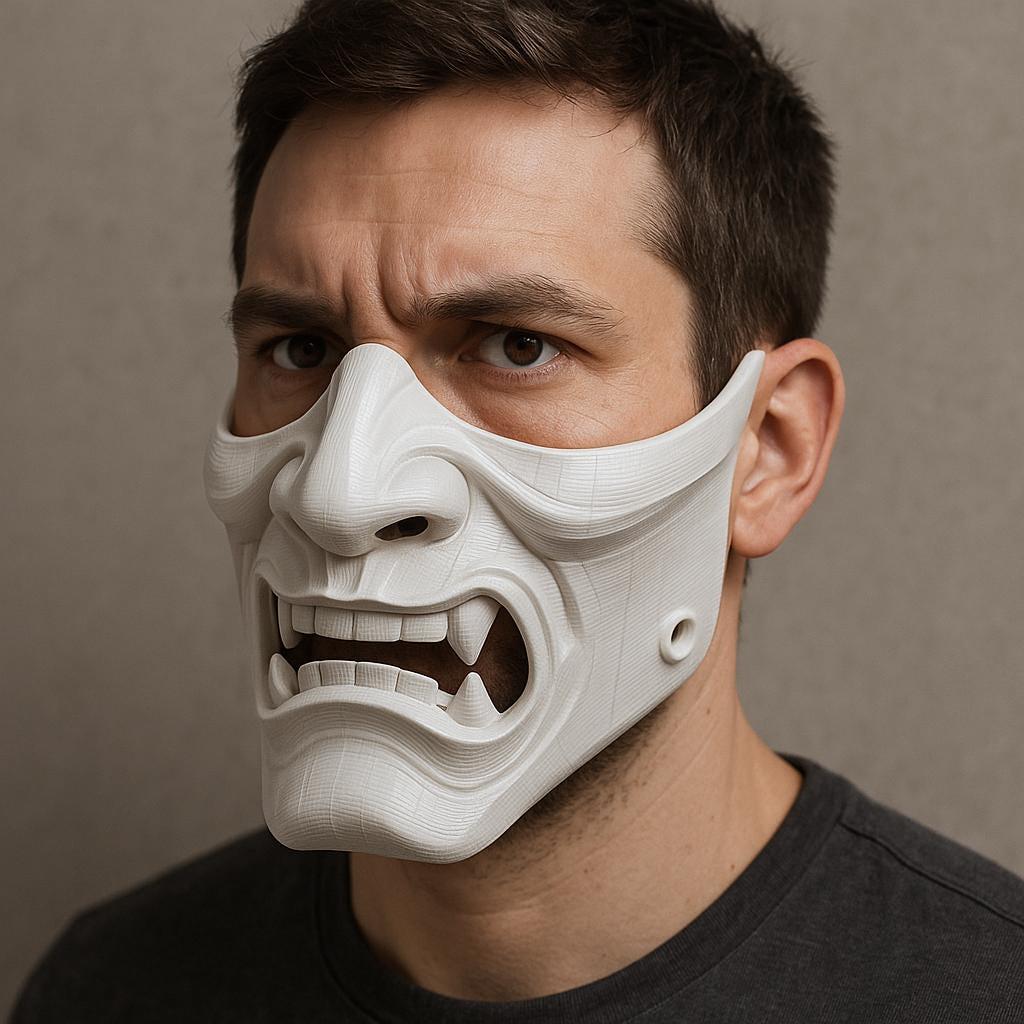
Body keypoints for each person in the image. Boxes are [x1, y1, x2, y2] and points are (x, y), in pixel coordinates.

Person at [13, 1, 1024, 1020]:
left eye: (514, 344)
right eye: (301, 350)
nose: (337, 490)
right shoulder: (110, 989)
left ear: (766, 449)